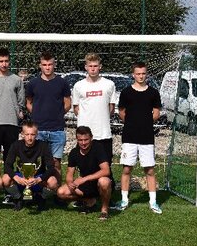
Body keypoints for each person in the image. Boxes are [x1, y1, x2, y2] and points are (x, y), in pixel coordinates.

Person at [115, 61, 163, 214]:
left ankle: (153, 202)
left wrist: (145, 123)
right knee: (127, 168)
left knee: (149, 170)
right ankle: (124, 200)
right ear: (133, 75)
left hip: (147, 138)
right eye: (138, 74)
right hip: (129, 137)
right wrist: (132, 123)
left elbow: (156, 113)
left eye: (143, 74)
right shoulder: (126, 92)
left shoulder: (153, 92)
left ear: (146, 74)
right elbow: (121, 112)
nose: (141, 76)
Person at [25, 51, 71, 180]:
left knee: (56, 163)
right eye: (44, 65)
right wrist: (37, 113)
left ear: (54, 65)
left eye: (50, 64)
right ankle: (37, 188)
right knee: (37, 163)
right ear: (40, 65)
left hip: (57, 129)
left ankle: (56, 190)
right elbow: (28, 103)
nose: (47, 67)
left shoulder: (62, 83)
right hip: (38, 130)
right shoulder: (33, 83)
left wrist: (57, 114)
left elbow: (67, 103)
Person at [72, 53, 116, 184]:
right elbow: (76, 109)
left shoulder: (109, 84)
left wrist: (100, 117)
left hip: (103, 134)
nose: (93, 69)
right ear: (86, 67)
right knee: (85, 168)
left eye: (95, 66)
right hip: (85, 135)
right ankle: (85, 192)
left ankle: (107, 192)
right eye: (90, 66)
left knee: (105, 169)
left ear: (100, 66)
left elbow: (111, 108)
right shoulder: (78, 85)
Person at [56, 126, 112, 220]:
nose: (83, 143)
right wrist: (70, 183)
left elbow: (106, 171)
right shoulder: (74, 152)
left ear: (91, 138)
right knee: (61, 192)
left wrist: (84, 179)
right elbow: (69, 173)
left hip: (98, 182)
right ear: (77, 139)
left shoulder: (98, 148)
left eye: (86, 140)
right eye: (80, 140)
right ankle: (89, 201)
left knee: (104, 181)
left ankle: (104, 210)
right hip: (84, 185)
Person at [2, 121, 58, 211]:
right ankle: (19, 198)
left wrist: (39, 179)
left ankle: (41, 198)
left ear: (36, 134)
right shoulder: (16, 145)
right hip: (22, 178)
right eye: (27, 134)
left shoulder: (43, 146)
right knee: (5, 179)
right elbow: (7, 166)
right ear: (22, 134)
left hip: (37, 178)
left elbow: (51, 167)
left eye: (32, 134)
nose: (29, 137)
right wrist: (17, 178)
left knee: (53, 182)